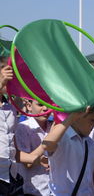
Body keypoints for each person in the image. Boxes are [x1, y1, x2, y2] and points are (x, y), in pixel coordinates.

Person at [42, 103, 94, 196]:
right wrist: (70, 118)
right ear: (78, 117)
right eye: (92, 120)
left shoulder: (90, 143)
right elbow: (46, 145)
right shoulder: (62, 137)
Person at [14, 100, 52, 196]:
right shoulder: (23, 127)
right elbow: (27, 164)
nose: (45, 108)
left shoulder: (52, 127)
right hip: (34, 191)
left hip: (53, 189)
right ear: (29, 106)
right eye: (40, 105)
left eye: (49, 104)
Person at [0, 58, 21, 195]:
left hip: (11, 175)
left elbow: (13, 145)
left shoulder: (10, 107)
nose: (7, 72)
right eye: (3, 68)